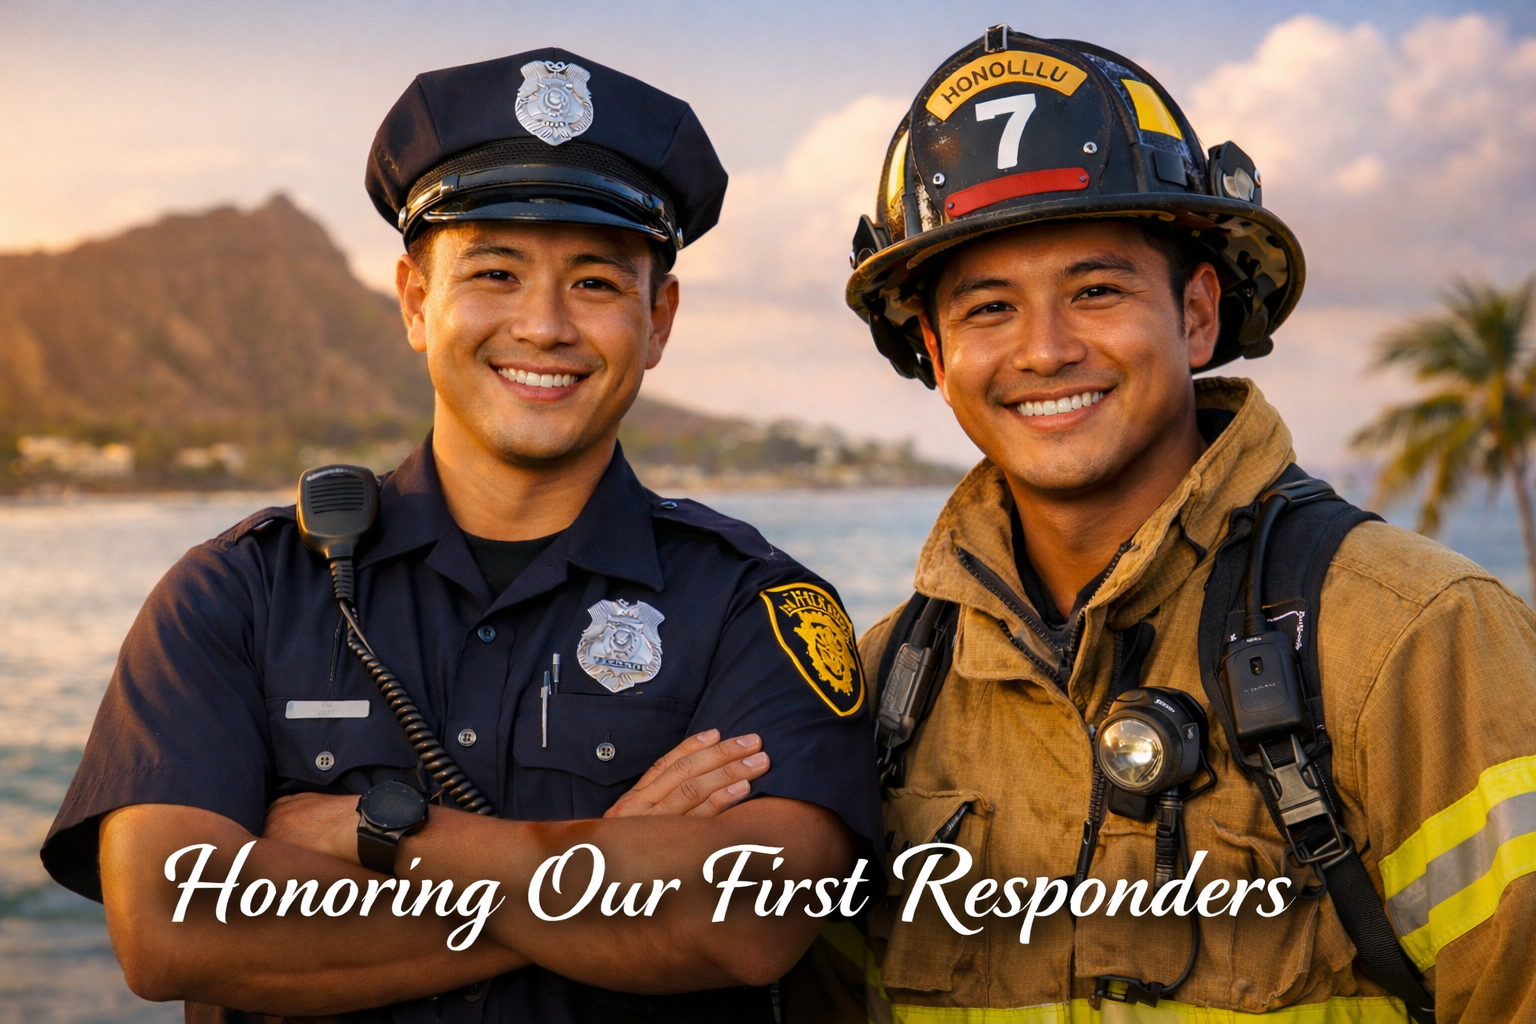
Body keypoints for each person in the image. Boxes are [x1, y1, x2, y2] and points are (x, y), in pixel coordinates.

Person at [41, 49, 880, 1023]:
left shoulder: (755, 608)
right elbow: (171, 924)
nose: (544, 324)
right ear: (413, 301)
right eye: (495, 270)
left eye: (598, 284)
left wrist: (382, 839)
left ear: (659, 320)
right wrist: (605, 864)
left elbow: (749, 916)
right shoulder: (241, 592)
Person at [831, 25, 1536, 1023]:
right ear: (937, 355)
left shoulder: (1415, 639)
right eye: (990, 308)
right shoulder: (887, 688)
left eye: (1097, 290)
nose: (1045, 349)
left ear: (1197, 314)